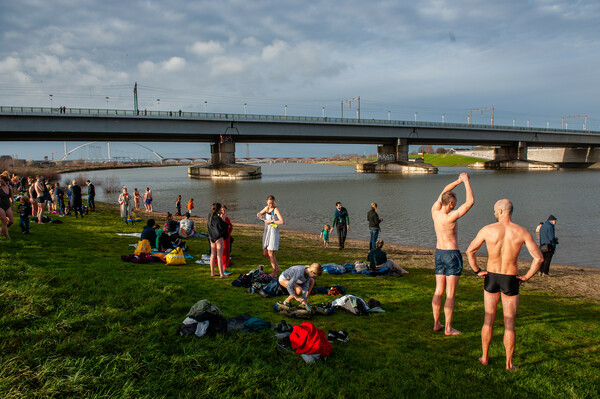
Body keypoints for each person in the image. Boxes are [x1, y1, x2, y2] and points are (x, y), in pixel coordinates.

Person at [466, 199, 543, 370]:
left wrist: (477, 270)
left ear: (501, 211)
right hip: (510, 279)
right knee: (509, 324)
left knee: (488, 320)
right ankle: (508, 364)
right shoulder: (521, 231)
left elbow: (470, 251)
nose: (494, 213)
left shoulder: (488, 230)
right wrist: (526, 277)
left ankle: (485, 357)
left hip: (492, 276)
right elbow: (539, 258)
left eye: (495, 210)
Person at [431, 172, 474, 336]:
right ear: (449, 204)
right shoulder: (450, 217)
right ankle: (448, 328)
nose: (455, 206)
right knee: (450, 294)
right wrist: (466, 182)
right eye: (454, 204)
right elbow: (470, 202)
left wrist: (458, 181)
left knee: (438, 291)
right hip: (451, 255)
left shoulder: (434, 211)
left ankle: (436, 324)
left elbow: (444, 191)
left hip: (439, 253)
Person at [257, 195, 285, 277]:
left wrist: (271, 221)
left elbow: (282, 221)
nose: (270, 205)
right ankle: (277, 267)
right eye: (269, 203)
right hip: (267, 232)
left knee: (271, 253)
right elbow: (260, 213)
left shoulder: (275, 210)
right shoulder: (266, 208)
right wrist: (259, 215)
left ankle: (274, 273)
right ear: (267, 202)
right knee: (265, 253)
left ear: (274, 202)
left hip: (273, 232)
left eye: (272, 203)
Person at [207, 203, 229, 278]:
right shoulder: (218, 219)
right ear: (218, 210)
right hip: (218, 238)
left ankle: (212, 272)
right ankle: (222, 274)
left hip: (212, 238)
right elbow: (223, 228)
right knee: (219, 256)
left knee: (212, 255)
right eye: (220, 209)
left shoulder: (210, 216)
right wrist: (223, 218)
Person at [219, 205, 233, 275]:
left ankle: (227, 262)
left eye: (225, 210)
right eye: (222, 210)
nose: (223, 212)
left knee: (227, 249)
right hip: (222, 238)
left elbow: (230, 226)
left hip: (227, 237)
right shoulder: (219, 219)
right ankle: (223, 267)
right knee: (223, 250)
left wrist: (229, 227)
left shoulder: (227, 218)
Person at [0, 172, 14, 238]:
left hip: (7, 205)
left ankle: (2, 230)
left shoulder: (9, 187)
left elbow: (11, 196)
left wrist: (13, 204)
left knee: (11, 221)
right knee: (4, 222)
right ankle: (7, 236)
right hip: (0, 206)